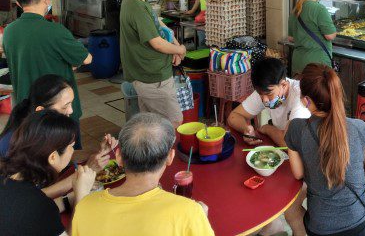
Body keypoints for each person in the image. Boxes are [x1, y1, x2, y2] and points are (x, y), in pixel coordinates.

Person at [72, 112, 214, 236]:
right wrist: (199, 219)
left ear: (119, 157)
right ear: (170, 157)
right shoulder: (190, 212)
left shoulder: (84, 206)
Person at [286, 64, 365, 236]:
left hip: (321, 227)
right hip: (359, 224)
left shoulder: (296, 128)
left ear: (306, 100)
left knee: (293, 214)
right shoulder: (360, 128)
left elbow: (298, 173)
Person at [228, 57, 309, 236]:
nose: (264, 100)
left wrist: (266, 128)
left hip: (307, 162)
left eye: (269, 94)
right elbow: (234, 117)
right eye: (260, 94)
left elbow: (289, 142)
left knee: (291, 209)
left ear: (283, 84)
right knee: (254, 192)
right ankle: (271, 228)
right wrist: (246, 128)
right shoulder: (266, 90)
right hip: (286, 157)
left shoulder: (299, 97)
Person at [0, 74, 115, 200]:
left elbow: (63, 154)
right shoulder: (15, 143)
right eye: (65, 106)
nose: (71, 111)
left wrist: (98, 153)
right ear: (41, 110)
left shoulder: (42, 129)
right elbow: (29, 197)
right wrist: (86, 170)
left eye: (71, 103)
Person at [3, 0, 91, 132]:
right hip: (58, 110)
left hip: (25, 109)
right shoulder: (55, 31)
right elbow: (86, 58)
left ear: (17, 2)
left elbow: (32, 56)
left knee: (35, 151)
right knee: (61, 152)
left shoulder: (9, 31)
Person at [0, 110, 96, 236]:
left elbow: (27, 211)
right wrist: (81, 197)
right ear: (53, 157)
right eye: (71, 146)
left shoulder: (9, 179)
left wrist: (67, 200)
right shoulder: (37, 204)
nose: (73, 150)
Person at [119, 0, 187, 128]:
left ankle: (153, 154)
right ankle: (165, 154)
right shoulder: (136, 7)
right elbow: (156, 43)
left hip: (150, 73)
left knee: (151, 124)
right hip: (152, 77)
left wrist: (176, 48)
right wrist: (181, 50)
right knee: (173, 123)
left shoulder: (138, 0)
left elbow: (159, 24)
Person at [288, 0, 337, 75]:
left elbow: (291, 38)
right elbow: (330, 35)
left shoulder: (296, 9)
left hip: (298, 63)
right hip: (317, 64)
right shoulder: (320, 9)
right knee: (316, 91)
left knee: (300, 90)